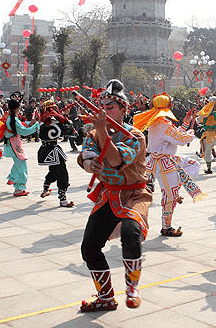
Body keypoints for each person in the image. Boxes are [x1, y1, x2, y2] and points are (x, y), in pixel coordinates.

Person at [77, 79, 150, 312]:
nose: (105, 112)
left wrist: (100, 130)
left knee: (131, 232)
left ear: (123, 110)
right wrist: (89, 164)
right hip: (108, 195)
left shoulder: (135, 136)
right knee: (89, 247)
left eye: (110, 107)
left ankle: (132, 289)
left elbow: (117, 161)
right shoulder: (93, 133)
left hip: (134, 194)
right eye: (103, 107)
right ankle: (106, 297)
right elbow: (86, 154)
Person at [134, 93, 204, 237]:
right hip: (163, 163)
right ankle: (166, 226)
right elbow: (181, 139)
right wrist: (191, 130)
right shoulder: (163, 124)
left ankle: (174, 188)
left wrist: (185, 123)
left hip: (163, 160)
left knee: (192, 164)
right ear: (169, 106)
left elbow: (173, 137)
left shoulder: (157, 122)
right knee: (169, 196)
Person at [38, 99, 75, 206]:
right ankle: (62, 199)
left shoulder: (42, 121)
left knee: (54, 171)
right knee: (62, 173)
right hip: (53, 150)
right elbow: (68, 131)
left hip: (45, 149)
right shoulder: (56, 121)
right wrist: (67, 121)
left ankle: (45, 188)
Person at [2, 97, 40, 196]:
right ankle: (18, 188)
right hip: (14, 144)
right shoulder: (13, 118)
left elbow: (21, 126)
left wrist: (29, 123)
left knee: (18, 162)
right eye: (19, 108)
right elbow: (23, 130)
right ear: (15, 108)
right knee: (22, 165)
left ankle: (12, 178)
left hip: (14, 143)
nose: (20, 109)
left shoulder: (12, 117)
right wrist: (35, 126)